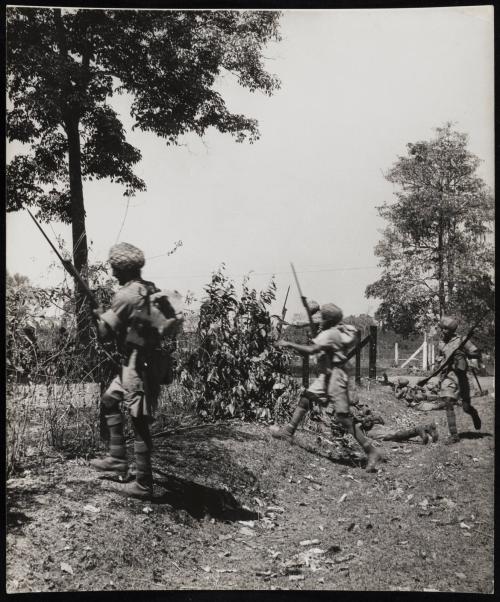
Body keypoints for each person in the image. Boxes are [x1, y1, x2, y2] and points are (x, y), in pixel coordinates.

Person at [90, 242, 182, 499]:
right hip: (140, 362)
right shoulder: (148, 288)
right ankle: (117, 458)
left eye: (114, 267)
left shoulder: (125, 296)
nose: (111, 272)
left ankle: (143, 483)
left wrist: (96, 315)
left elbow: (104, 335)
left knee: (139, 422)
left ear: (122, 268)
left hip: (138, 366)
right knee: (108, 401)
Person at [269, 303, 382, 472]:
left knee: (342, 417)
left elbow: (311, 350)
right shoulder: (335, 331)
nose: (318, 321)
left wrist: (289, 344)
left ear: (328, 320)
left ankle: (371, 451)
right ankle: (289, 431)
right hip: (328, 375)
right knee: (306, 397)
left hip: (335, 377)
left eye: (321, 318)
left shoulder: (329, 334)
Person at [436, 316, 482, 444]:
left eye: (446, 329)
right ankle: (454, 435)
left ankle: (474, 413)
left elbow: (477, 353)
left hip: (462, 376)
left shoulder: (462, 340)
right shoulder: (440, 343)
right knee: (448, 401)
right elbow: (440, 359)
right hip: (448, 376)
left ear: (451, 330)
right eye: (442, 329)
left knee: (466, 407)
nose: (443, 331)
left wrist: (463, 353)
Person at [353, 404, 439, 444]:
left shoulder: (372, 421)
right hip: (376, 431)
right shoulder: (359, 424)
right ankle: (425, 428)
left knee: (395, 435)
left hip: (377, 431)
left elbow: (380, 419)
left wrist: (369, 417)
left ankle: (424, 429)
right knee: (397, 434)